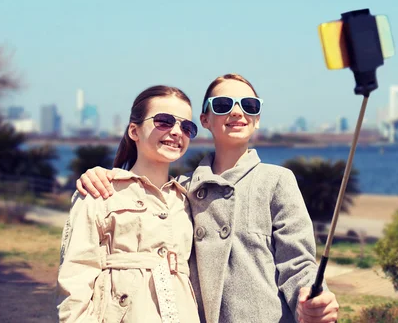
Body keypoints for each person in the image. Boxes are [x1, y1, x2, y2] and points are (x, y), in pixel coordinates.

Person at [76, 73, 340, 323]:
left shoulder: (277, 180)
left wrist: (311, 300)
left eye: (249, 105)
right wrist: (103, 176)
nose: (237, 112)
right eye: (223, 104)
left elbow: (297, 262)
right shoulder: (180, 190)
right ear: (205, 120)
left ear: (257, 118)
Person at [57, 85, 201, 323]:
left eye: (187, 127)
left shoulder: (189, 200)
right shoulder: (100, 192)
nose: (177, 132)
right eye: (164, 121)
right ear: (134, 131)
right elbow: (75, 278)